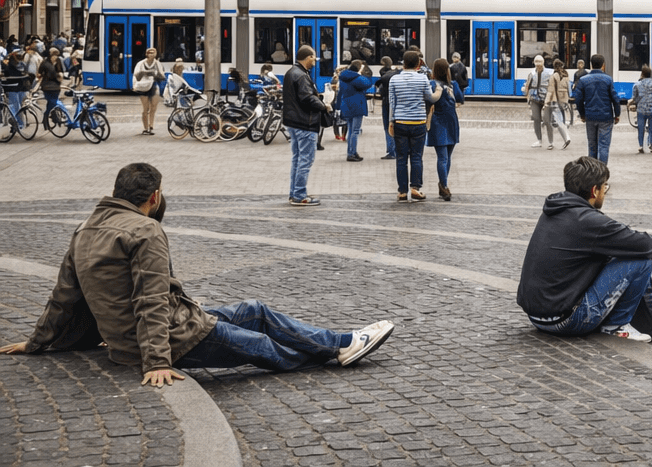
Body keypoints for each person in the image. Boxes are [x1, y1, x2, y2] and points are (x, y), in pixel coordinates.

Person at [0, 162, 394, 379]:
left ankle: (342, 341)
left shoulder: (85, 228)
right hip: (174, 339)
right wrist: (156, 362)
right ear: (153, 198)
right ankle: (340, 347)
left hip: (172, 323)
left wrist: (37, 343)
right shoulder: (146, 230)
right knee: (265, 349)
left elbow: (63, 297)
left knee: (254, 310)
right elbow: (150, 300)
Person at [515, 156, 652, 342]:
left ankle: (634, 322)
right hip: (567, 321)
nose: (605, 192)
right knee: (640, 261)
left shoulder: (554, 210)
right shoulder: (589, 221)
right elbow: (643, 245)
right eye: (604, 187)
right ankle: (616, 326)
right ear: (594, 190)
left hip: (536, 317)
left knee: (617, 253)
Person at [388, 50, 441, 202]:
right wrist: (438, 91)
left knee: (401, 158)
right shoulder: (423, 79)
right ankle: (415, 188)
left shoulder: (394, 80)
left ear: (403, 63)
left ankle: (402, 192)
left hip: (400, 122)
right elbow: (429, 98)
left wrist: (391, 121)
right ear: (418, 64)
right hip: (418, 122)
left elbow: (393, 103)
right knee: (417, 157)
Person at [282, 47, 329, 207]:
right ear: (308, 57)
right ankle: (299, 195)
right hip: (305, 122)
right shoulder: (301, 75)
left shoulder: (291, 72)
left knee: (297, 159)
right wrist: (324, 105)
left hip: (293, 122)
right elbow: (307, 97)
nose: (315, 61)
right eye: (314, 58)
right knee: (305, 160)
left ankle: (294, 192)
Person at [571, 53, 621, 163]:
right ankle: (602, 176)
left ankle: (593, 175)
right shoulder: (608, 79)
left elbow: (578, 99)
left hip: (590, 117)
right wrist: (617, 115)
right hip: (606, 117)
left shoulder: (584, 80)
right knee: (603, 146)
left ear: (590, 64)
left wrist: (583, 115)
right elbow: (615, 99)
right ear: (603, 65)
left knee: (592, 146)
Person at [428, 58, 464, 200]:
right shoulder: (453, 85)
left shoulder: (432, 84)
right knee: (447, 157)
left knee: (442, 157)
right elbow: (461, 99)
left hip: (438, 122)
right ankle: (443, 185)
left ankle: (443, 185)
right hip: (452, 122)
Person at [337, 59, 373, 163]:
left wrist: (338, 107)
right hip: (357, 106)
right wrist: (361, 73)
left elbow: (340, 93)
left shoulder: (343, 77)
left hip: (346, 106)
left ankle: (351, 152)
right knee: (355, 131)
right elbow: (368, 83)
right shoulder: (357, 78)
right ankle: (352, 153)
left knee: (350, 130)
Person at [525, 54, 556, 150]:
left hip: (546, 99)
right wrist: (528, 98)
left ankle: (551, 142)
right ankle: (539, 140)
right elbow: (528, 85)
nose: (538, 63)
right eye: (536, 61)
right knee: (536, 119)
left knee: (547, 120)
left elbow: (553, 86)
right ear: (534, 63)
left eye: (540, 61)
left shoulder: (550, 73)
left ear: (543, 62)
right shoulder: (531, 73)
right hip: (534, 99)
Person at [132, 47, 165, 135]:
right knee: (145, 108)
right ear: (146, 54)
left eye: (153, 52)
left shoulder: (157, 64)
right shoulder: (141, 63)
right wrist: (144, 72)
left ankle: (151, 125)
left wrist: (156, 74)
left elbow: (162, 77)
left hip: (154, 86)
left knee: (153, 107)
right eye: (150, 53)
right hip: (143, 87)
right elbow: (137, 77)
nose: (152, 54)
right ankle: (145, 128)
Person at [376, 56, 399, 160]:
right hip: (397, 102)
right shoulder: (397, 73)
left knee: (387, 126)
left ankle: (391, 150)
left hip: (386, 102)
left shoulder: (384, 76)